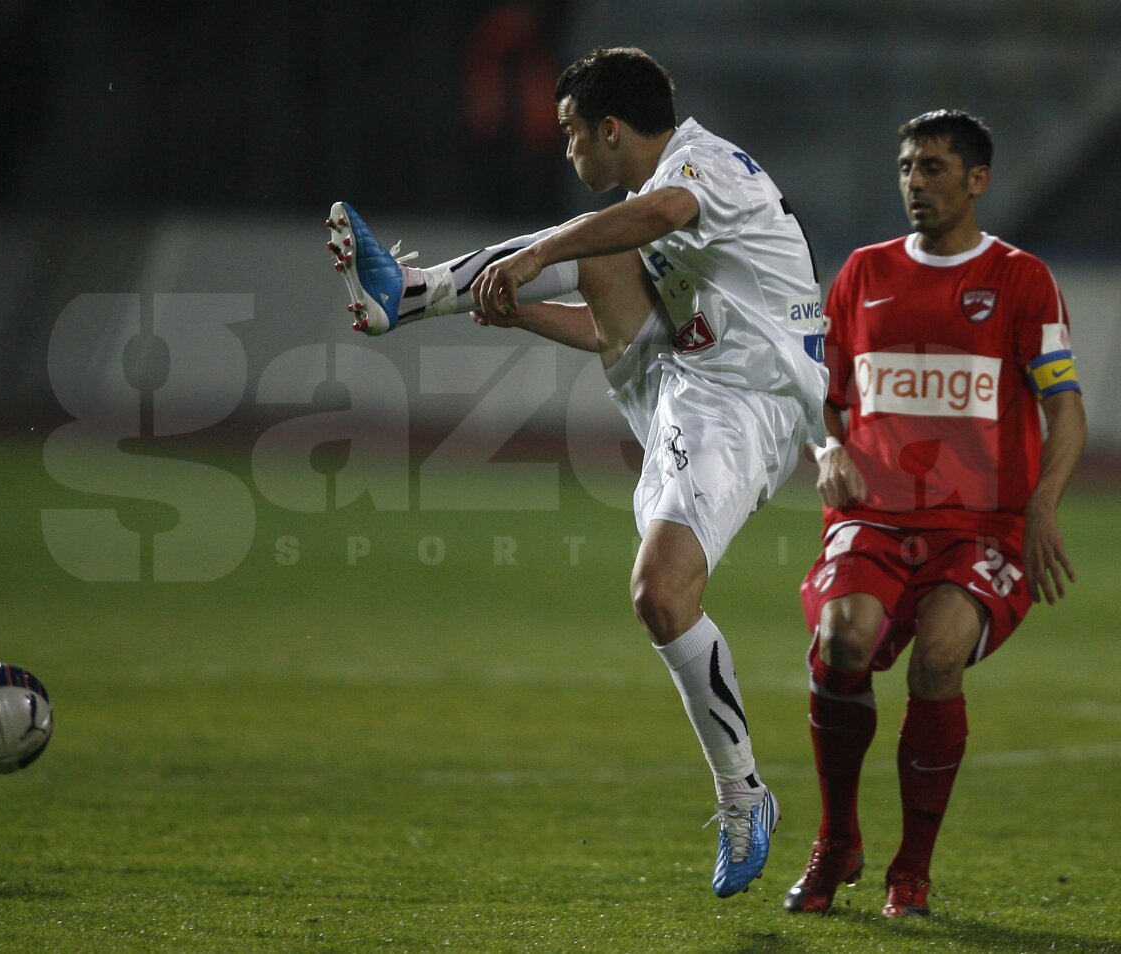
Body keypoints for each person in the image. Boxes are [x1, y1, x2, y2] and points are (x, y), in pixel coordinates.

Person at [327, 46, 828, 898]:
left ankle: (745, 795)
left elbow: (660, 212)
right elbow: (614, 329)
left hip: (751, 404)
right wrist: (520, 310)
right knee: (597, 255)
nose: (566, 151)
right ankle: (403, 297)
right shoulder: (650, 208)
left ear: (610, 128)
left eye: (571, 134)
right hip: (685, 382)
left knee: (662, 595)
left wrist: (526, 258)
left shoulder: (695, 169)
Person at [783, 109, 1087, 918]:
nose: (916, 183)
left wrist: (1044, 503)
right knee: (841, 640)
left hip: (979, 527)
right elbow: (826, 400)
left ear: (978, 180)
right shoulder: (861, 274)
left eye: (935, 168)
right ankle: (835, 839)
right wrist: (828, 453)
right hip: (876, 517)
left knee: (940, 659)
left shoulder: (1022, 279)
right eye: (908, 168)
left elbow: (1067, 409)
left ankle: (909, 871)